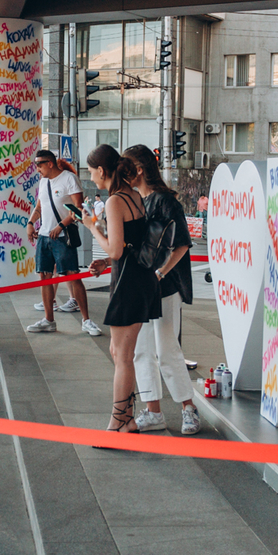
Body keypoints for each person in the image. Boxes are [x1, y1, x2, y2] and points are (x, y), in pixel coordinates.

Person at [122, 144, 200, 435]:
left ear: (139, 169)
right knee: (141, 350)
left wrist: (160, 272)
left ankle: (188, 408)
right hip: (140, 285)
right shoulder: (134, 201)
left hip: (163, 286)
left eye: (126, 167)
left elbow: (181, 244)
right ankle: (153, 411)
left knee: (167, 349)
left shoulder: (165, 202)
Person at [84, 145, 161, 433]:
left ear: (102, 171)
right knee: (120, 353)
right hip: (138, 280)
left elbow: (116, 250)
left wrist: (93, 228)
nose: (91, 179)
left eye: (91, 173)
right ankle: (125, 418)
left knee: (122, 356)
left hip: (128, 283)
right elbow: (128, 246)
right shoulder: (133, 195)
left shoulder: (116, 201)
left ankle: (118, 422)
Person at [27, 149, 101, 337]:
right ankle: (49, 320)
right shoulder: (43, 182)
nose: (37, 169)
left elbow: (78, 209)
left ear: (50, 163)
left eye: (39, 164)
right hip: (44, 235)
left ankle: (86, 320)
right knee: (44, 276)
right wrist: (30, 223)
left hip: (63, 236)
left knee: (73, 276)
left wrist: (60, 226)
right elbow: (39, 207)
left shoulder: (69, 178)